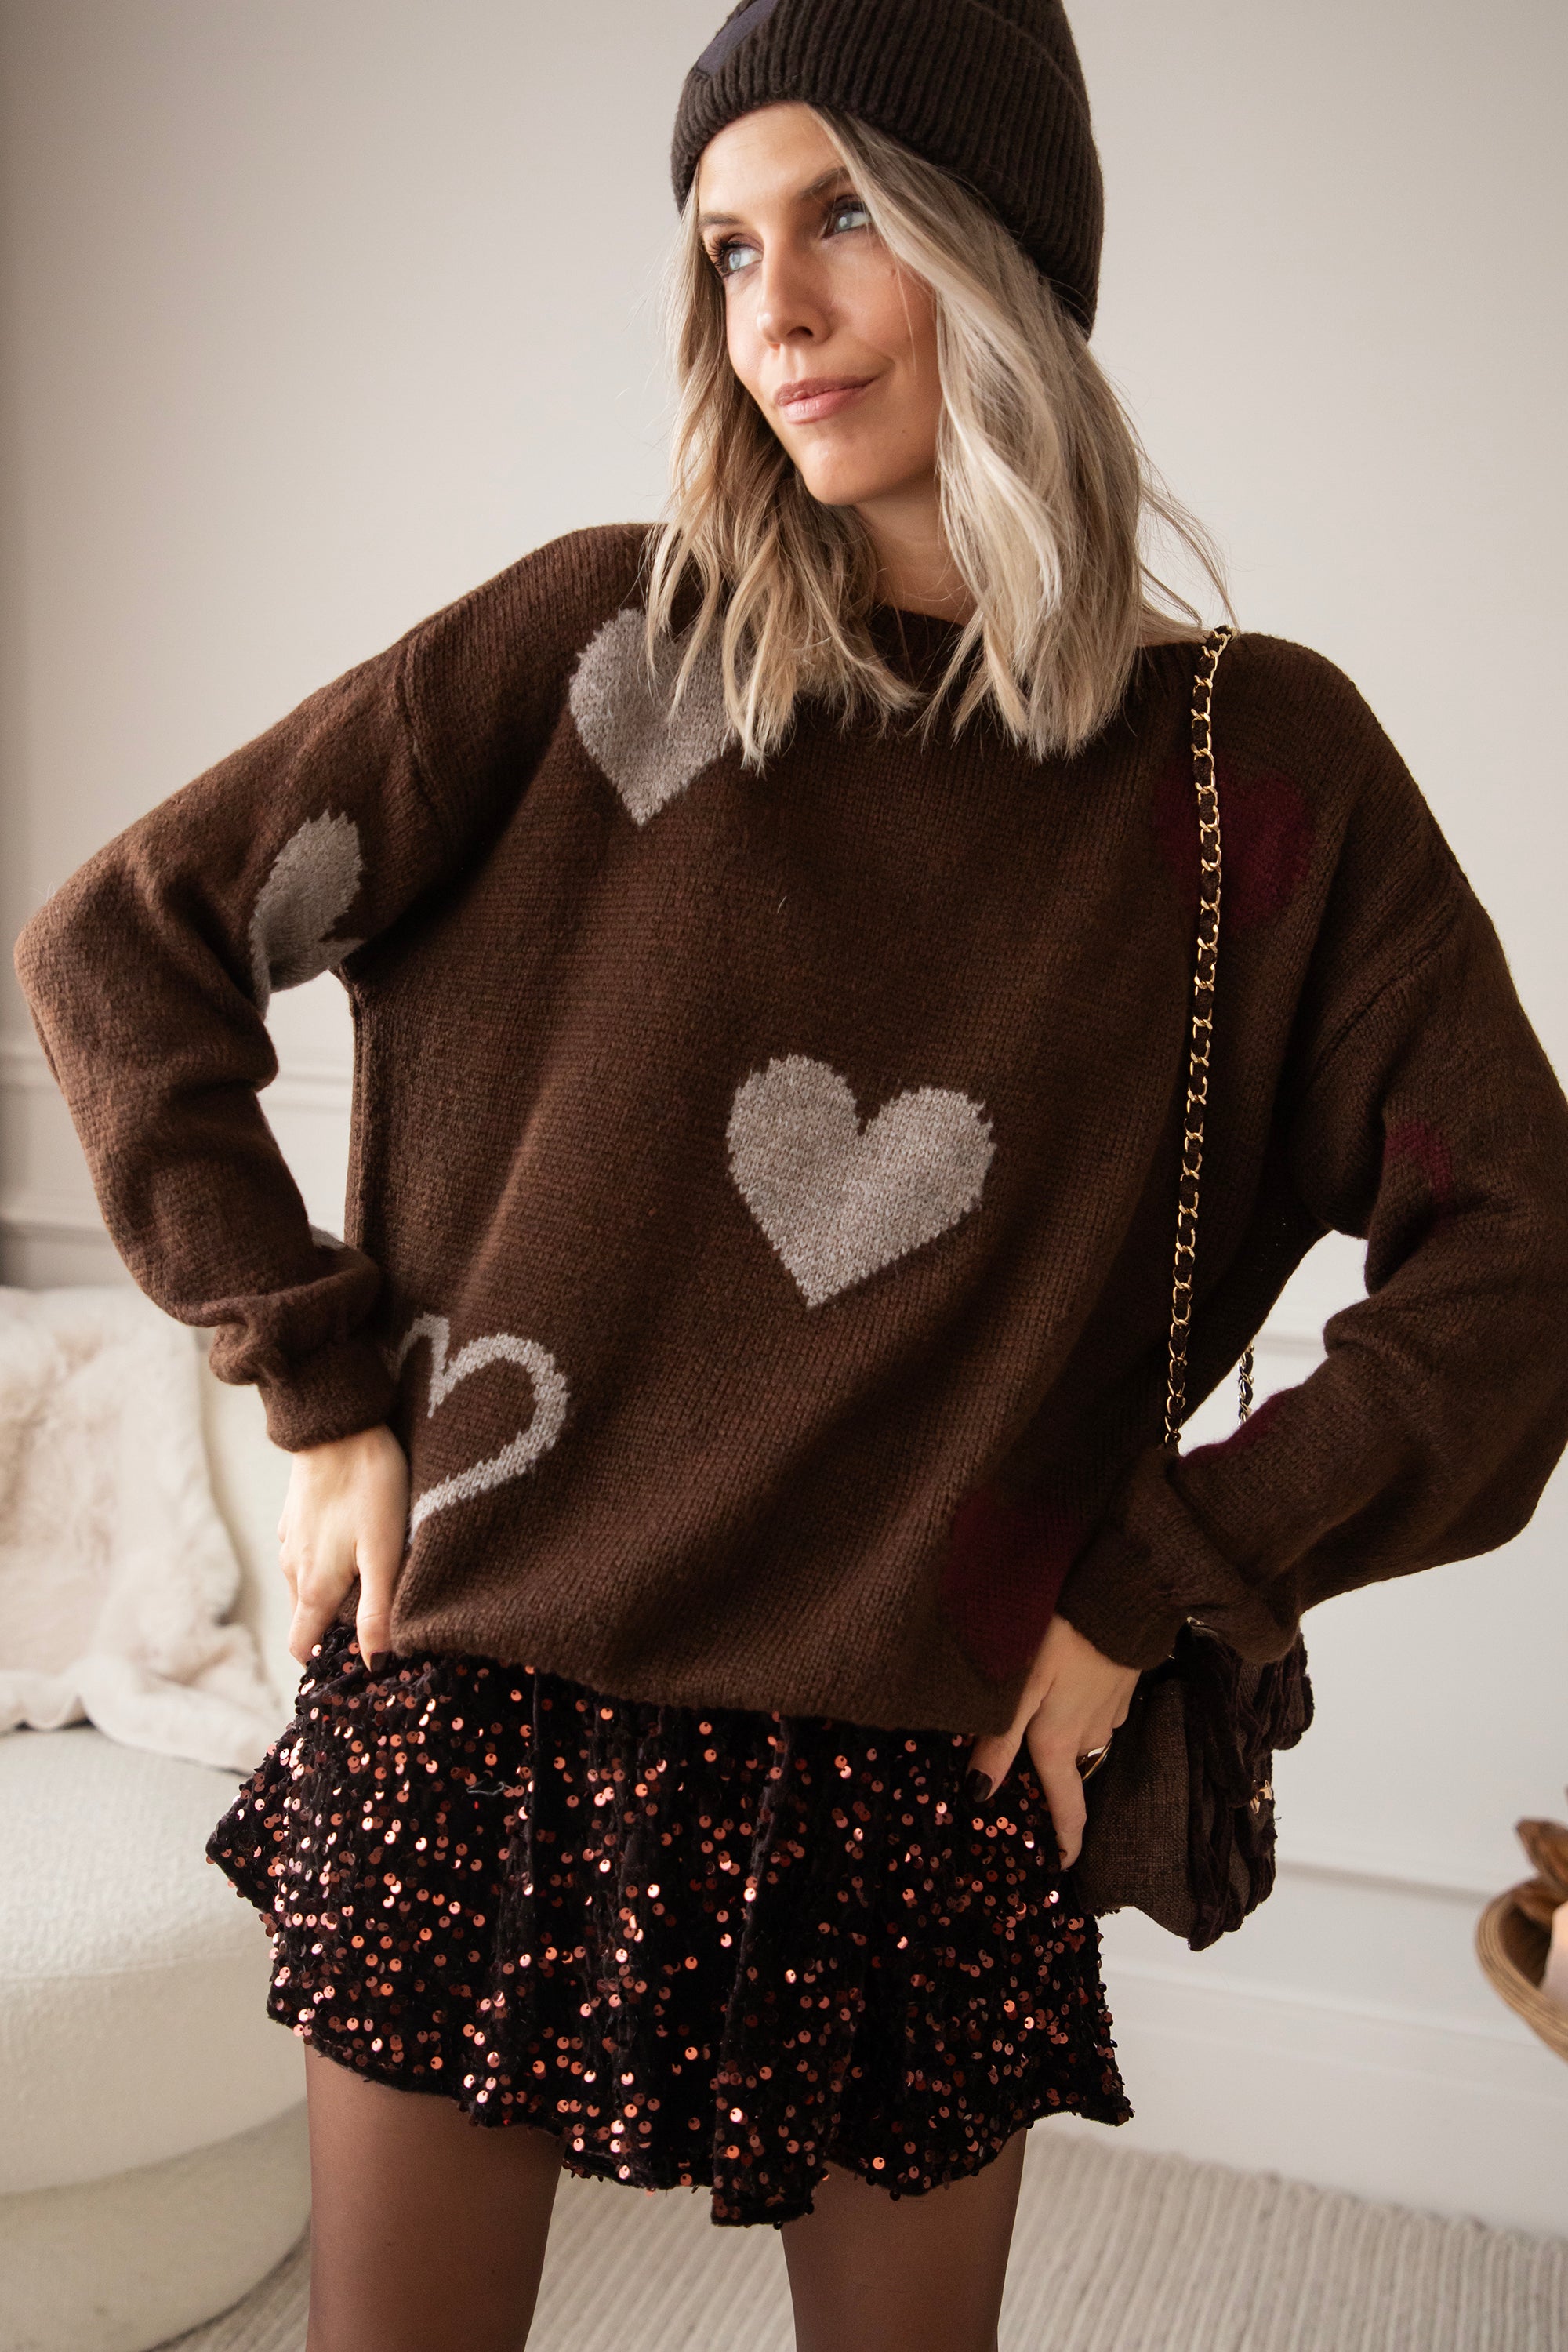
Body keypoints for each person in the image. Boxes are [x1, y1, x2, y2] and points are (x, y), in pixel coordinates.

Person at [14, 3, 1568, 2347]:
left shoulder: (1257, 775)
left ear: (1006, 247)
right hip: (488, 1696)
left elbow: (1519, 1267)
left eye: (846, 216)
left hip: (917, 1760)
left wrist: (1155, 1585)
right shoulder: (597, 644)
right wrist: (317, 1391)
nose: (778, 313)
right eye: (729, 247)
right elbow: (123, 944)